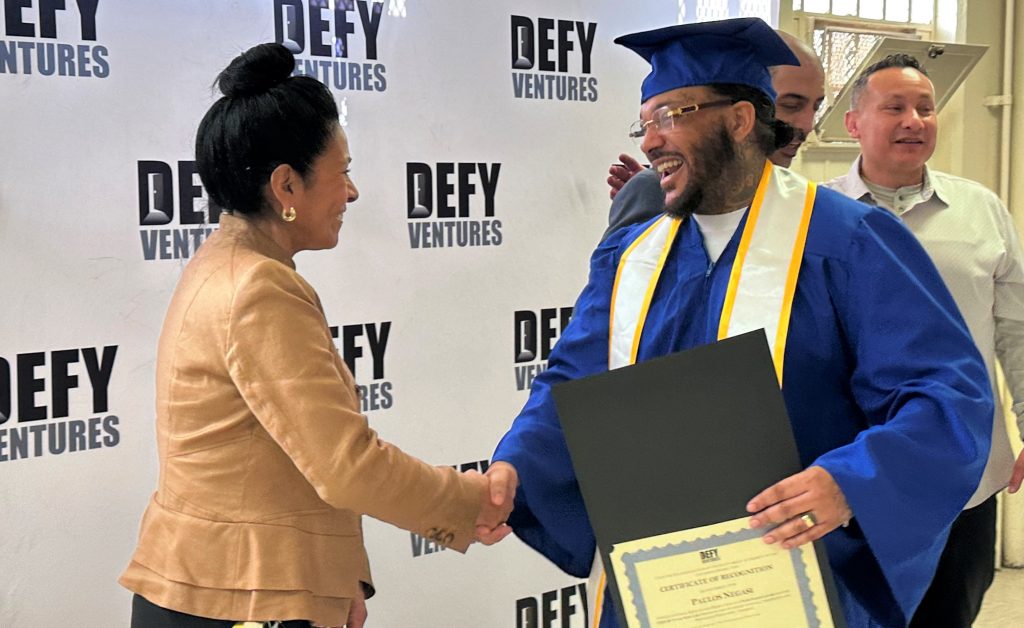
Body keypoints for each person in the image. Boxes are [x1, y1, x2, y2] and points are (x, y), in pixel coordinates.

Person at [478, 18, 993, 628]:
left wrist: (849, 482)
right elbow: (572, 383)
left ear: (740, 120)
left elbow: (945, 394)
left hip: (800, 578)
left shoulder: (849, 242)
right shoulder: (631, 255)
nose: (650, 142)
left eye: (670, 115)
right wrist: (515, 466)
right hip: (656, 583)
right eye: (645, 124)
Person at [119, 43, 510, 628]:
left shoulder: (224, 266)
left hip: (231, 593)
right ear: (287, 187)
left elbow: (280, 465)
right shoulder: (258, 290)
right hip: (236, 603)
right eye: (343, 171)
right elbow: (345, 466)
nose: (352, 193)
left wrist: (328, 579)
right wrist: (468, 503)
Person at [825, 52, 1024, 628]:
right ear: (854, 123)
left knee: (949, 614)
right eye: (895, 108)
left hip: (962, 473)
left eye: (926, 108)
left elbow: (1015, 326)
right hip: (849, 472)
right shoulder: (818, 214)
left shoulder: (980, 211)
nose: (914, 120)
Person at [601, 30, 825, 239]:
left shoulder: (824, 218)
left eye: (816, 107)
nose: (807, 125)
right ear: (742, 117)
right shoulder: (653, 193)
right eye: (790, 105)